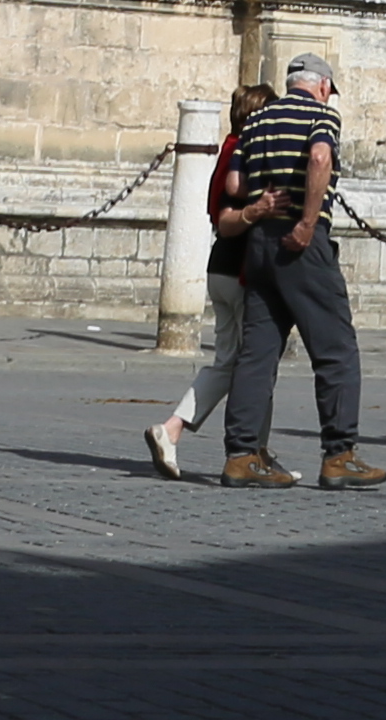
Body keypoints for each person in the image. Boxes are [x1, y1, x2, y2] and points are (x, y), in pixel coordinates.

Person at [213, 48, 379, 487]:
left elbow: (235, 184)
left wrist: (263, 200)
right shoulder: (321, 116)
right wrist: (306, 223)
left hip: (259, 243)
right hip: (301, 244)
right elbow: (320, 158)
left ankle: (241, 454)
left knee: (257, 352)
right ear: (323, 85)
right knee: (336, 349)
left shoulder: (257, 121)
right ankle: (339, 454)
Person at [141, 78, 272, 479]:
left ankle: (258, 450)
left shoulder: (229, 148)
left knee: (237, 361)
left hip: (220, 266)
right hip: (241, 270)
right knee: (253, 362)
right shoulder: (247, 155)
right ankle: (177, 429)